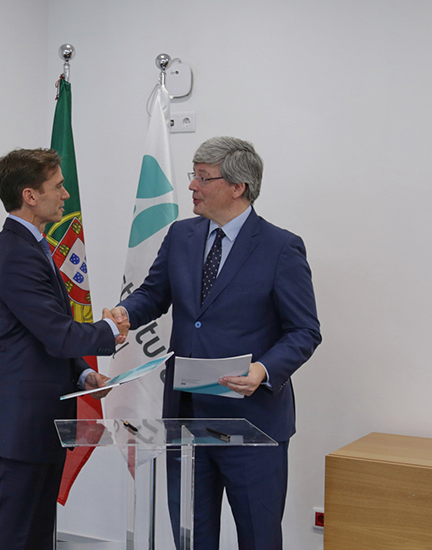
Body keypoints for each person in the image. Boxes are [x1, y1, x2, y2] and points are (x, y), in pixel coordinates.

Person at [110, 136, 321, 550]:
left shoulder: (281, 247)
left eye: (203, 178)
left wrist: (263, 370)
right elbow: (153, 294)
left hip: (252, 423)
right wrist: (126, 312)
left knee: (258, 539)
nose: (192, 185)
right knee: (191, 537)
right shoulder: (181, 235)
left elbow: (304, 330)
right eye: (193, 175)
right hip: (186, 418)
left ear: (237, 187)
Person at [0, 148, 129, 550]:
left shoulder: (32, 248)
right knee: (13, 538)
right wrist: (110, 328)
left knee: (39, 537)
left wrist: (83, 373)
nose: (65, 195)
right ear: (30, 195)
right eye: (57, 186)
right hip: (19, 426)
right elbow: (58, 333)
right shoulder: (16, 255)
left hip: (39, 422)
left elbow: (40, 335)